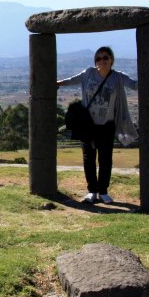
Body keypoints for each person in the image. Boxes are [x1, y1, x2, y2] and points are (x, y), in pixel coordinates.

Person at [57, 46, 138, 204]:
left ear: (111, 60)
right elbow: (72, 80)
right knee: (88, 158)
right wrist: (57, 83)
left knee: (105, 159)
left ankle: (103, 191)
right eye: (98, 58)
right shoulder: (89, 73)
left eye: (105, 58)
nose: (102, 61)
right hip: (88, 125)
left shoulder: (118, 78)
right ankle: (92, 191)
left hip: (106, 125)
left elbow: (135, 85)